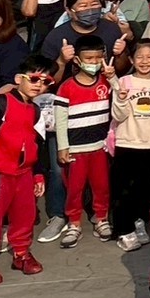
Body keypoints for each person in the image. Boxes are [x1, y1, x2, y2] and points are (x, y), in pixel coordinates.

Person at [0, 54, 53, 286]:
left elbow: (38, 144)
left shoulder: (36, 110)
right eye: (34, 78)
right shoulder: (0, 102)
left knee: (25, 216)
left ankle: (21, 253)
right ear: (18, 79)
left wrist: (38, 174)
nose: (39, 85)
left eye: (46, 81)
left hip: (24, 173)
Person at [109, 39, 150, 252]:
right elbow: (118, 115)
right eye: (139, 57)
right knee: (124, 190)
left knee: (146, 189)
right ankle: (123, 230)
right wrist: (121, 98)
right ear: (131, 59)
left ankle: (139, 221)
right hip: (127, 143)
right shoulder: (124, 82)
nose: (145, 61)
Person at [52, 33, 114, 247]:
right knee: (74, 188)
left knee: (101, 185)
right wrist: (63, 146)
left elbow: (122, 96)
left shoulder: (106, 83)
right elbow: (60, 121)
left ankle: (102, 218)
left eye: (98, 58)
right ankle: (74, 223)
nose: (94, 62)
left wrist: (113, 78)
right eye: (89, 58)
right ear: (77, 60)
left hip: (100, 147)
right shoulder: (66, 87)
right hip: (76, 149)